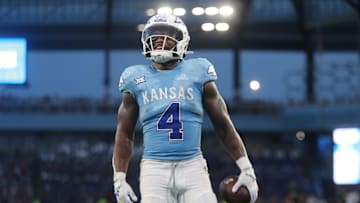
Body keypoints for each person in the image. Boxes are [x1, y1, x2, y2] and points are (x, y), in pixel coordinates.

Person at [112, 13, 259, 203]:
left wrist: (247, 168)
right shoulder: (135, 77)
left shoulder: (198, 72)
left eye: (166, 33)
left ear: (182, 40)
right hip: (154, 168)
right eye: (153, 35)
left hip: (192, 166)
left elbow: (223, 125)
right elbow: (124, 133)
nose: (158, 39)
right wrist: (119, 179)